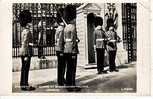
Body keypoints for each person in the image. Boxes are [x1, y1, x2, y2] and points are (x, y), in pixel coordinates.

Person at [63, 5, 79, 88]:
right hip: (72, 50)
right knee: (73, 69)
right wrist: (77, 41)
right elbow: (73, 41)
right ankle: (72, 85)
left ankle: (68, 85)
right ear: (73, 18)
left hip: (66, 50)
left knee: (68, 68)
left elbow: (64, 39)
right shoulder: (73, 27)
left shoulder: (65, 28)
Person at [19, 10, 35, 91]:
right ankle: (25, 85)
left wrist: (32, 44)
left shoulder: (24, 31)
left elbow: (27, 43)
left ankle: (23, 84)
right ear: (27, 22)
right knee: (25, 69)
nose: (31, 23)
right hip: (26, 52)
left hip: (24, 51)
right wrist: (26, 55)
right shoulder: (27, 32)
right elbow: (26, 43)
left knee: (24, 69)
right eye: (29, 22)